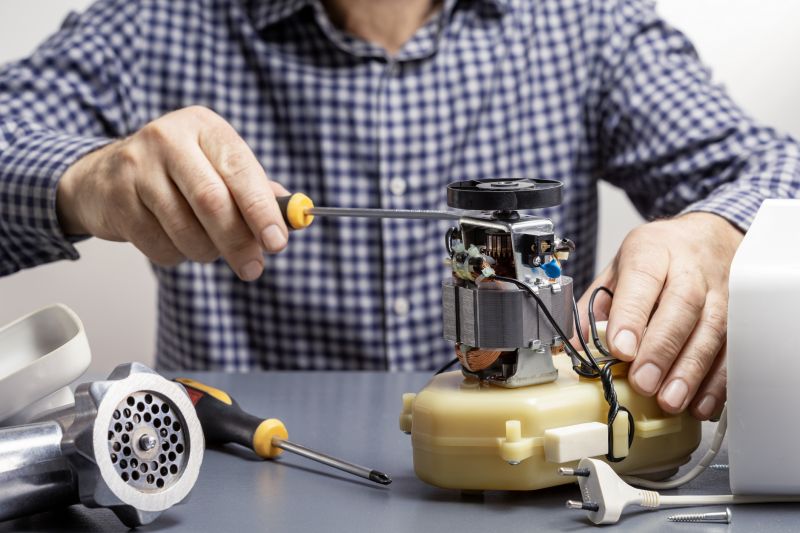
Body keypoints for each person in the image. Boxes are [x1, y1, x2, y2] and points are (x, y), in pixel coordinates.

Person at [1, 0, 797, 421]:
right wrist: (84, 178)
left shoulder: (587, 21)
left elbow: (779, 168)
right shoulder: (154, 24)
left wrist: (717, 234)